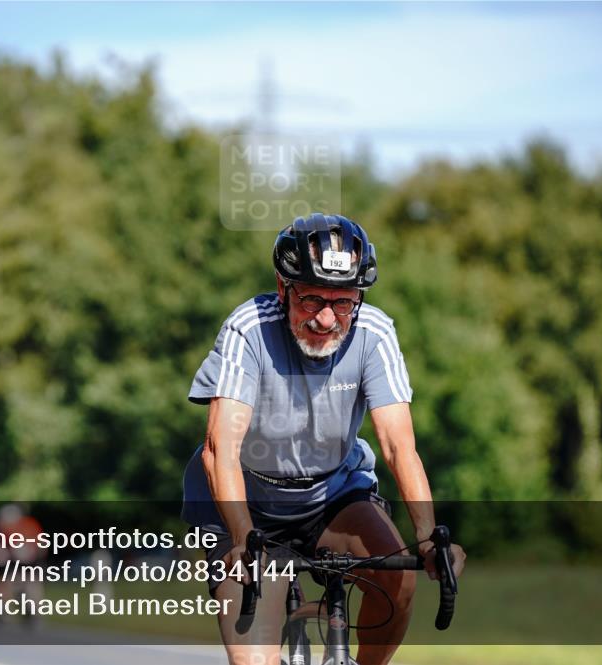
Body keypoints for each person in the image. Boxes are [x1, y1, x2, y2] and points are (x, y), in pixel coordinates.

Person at [181, 213, 466, 665]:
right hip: (246, 505)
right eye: (312, 300)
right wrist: (241, 536)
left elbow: (398, 446)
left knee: (400, 580)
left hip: (331, 494)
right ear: (283, 288)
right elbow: (221, 450)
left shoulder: (374, 333)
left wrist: (429, 537)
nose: (327, 318)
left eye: (344, 301)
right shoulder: (248, 329)